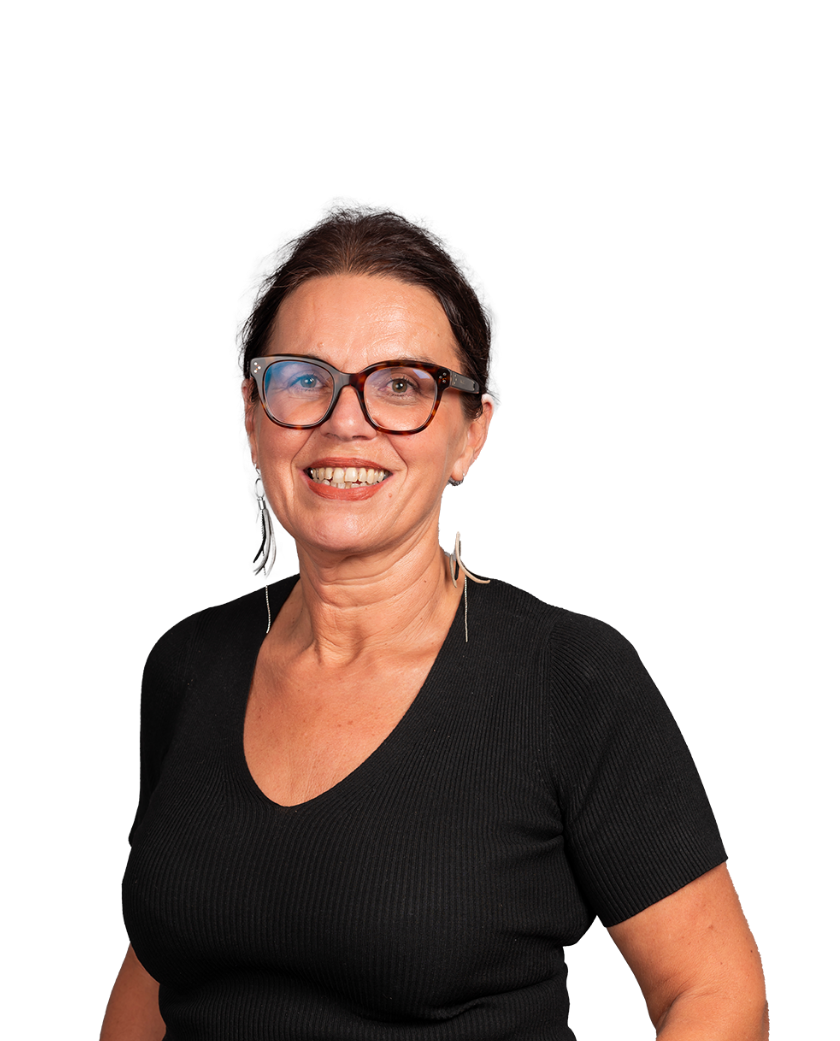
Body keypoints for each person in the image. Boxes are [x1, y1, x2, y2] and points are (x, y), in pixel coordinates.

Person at [102, 196, 769, 1040]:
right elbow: (163, 960)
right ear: (252, 412)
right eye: (304, 379)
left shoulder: (569, 678)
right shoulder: (186, 664)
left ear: (471, 433)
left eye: (401, 386)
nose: (346, 423)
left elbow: (715, 993)